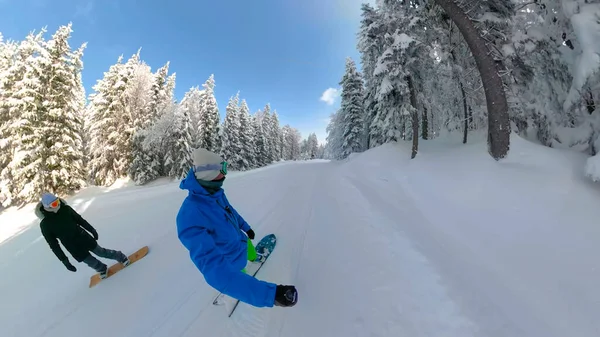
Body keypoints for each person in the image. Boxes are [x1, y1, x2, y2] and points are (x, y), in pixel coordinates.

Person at [176, 148, 298, 308]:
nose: (226, 173)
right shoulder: (190, 215)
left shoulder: (214, 193)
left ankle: (256, 258)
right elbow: (215, 270)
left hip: (242, 242)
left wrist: (246, 228)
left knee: (251, 251)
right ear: (209, 173)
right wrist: (270, 294)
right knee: (238, 274)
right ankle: (238, 287)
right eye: (223, 168)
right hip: (230, 259)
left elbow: (230, 212)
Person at [36, 193, 130, 278]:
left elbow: (80, 220)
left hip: (83, 237)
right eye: (54, 204)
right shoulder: (45, 225)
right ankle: (101, 269)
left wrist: (91, 229)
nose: (58, 205)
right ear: (47, 207)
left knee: (101, 252)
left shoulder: (66, 209)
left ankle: (120, 257)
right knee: (89, 261)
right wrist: (64, 260)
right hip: (72, 247)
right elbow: (53, 245)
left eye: (57, 201)